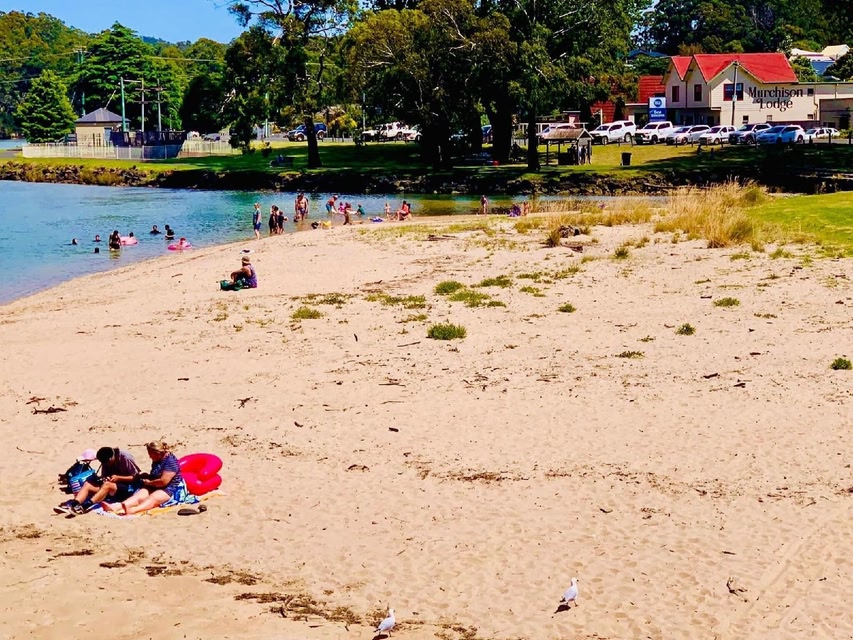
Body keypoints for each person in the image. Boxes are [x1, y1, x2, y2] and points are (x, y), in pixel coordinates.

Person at [104, 441, 190, 516]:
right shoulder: (157, 459)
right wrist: (146, 477)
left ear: (158, 453)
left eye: (151, 454)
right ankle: (117, 506)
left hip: (170, 487)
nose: (150, 457)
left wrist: (149, 483)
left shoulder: (170, 462)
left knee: (153, 498)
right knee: (140, 495)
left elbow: (164, 482)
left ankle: (133, 510)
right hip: (155, 483)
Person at [55, 447, 142, 515]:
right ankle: (74, 504)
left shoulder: (125, 457)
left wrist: (118, 478)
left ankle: (84, 507)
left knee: (107, 485)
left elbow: (136, 477)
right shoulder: (105, 462)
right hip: (112, 487)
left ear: (110, 459)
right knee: (87, 484)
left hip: (128, 488)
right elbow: (105, 475)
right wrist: (105, 478)